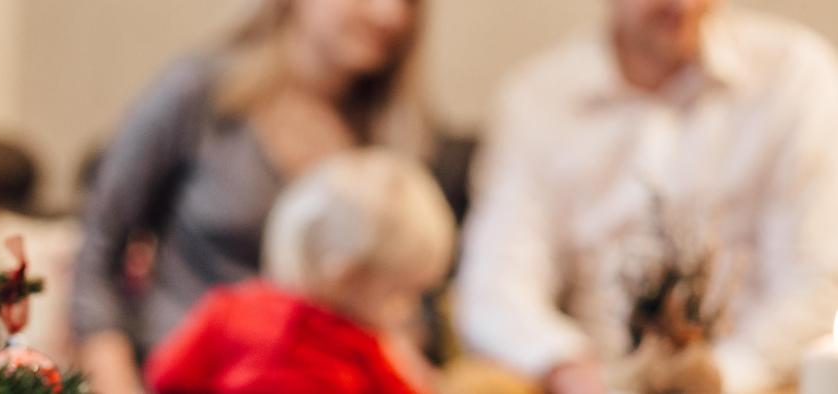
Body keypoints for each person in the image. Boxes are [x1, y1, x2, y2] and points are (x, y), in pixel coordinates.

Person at [457, 0, 838, 393]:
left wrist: (723, 377)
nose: (684, 5)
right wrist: (565, 364)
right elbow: (495, 286)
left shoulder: (794, 76)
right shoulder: (537, 100)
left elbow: (817, 277)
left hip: (757, 379)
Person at [69, 0, 430, 392]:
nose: (389, 15)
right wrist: (117, 384)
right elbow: (99, 247)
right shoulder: (200, 91)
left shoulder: (391, 143)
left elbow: (405, 309)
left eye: (409, 2)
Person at [145, 149, 455, 394]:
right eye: (401, 294)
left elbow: (165, 374)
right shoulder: (366, 351)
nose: (410, 311)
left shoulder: (229, 308)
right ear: (347, 277)